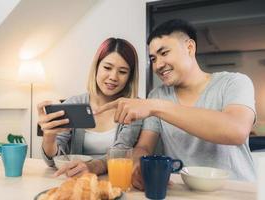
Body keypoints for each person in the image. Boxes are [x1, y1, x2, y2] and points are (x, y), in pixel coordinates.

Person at [95, 19, 256, 190]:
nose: (158, 65)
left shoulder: (234, 82)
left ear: (189, 48)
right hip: (181, 191)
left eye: (164, 53)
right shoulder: (157, 95)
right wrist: (138, 163)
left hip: (237, 191)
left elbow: (236, 130)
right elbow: (144, 147)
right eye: (153, 58)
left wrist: (156, 107)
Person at [37, 37, 142, 177]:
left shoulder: (134, 108)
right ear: (96, 67)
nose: (113, 77)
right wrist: (49, 137)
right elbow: (52, 162)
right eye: (107, 68)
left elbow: (120, 152)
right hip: (76, 179)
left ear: (130, 77)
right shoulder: (73, 103)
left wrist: (92, 167)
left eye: (122, 72)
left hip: (116, 180)